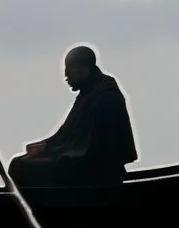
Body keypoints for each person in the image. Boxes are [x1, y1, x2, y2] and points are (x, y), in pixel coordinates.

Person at [8, 45, 138, 187]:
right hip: (77, 161)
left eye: (70, 70)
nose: (66, 76)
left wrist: (59, 154)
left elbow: (93, 151)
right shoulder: (87, 95)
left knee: (23, 168)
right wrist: (45, 146)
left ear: (85, 68)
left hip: (95, 171)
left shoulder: (107, 97)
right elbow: (66, 135)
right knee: (18, 163)